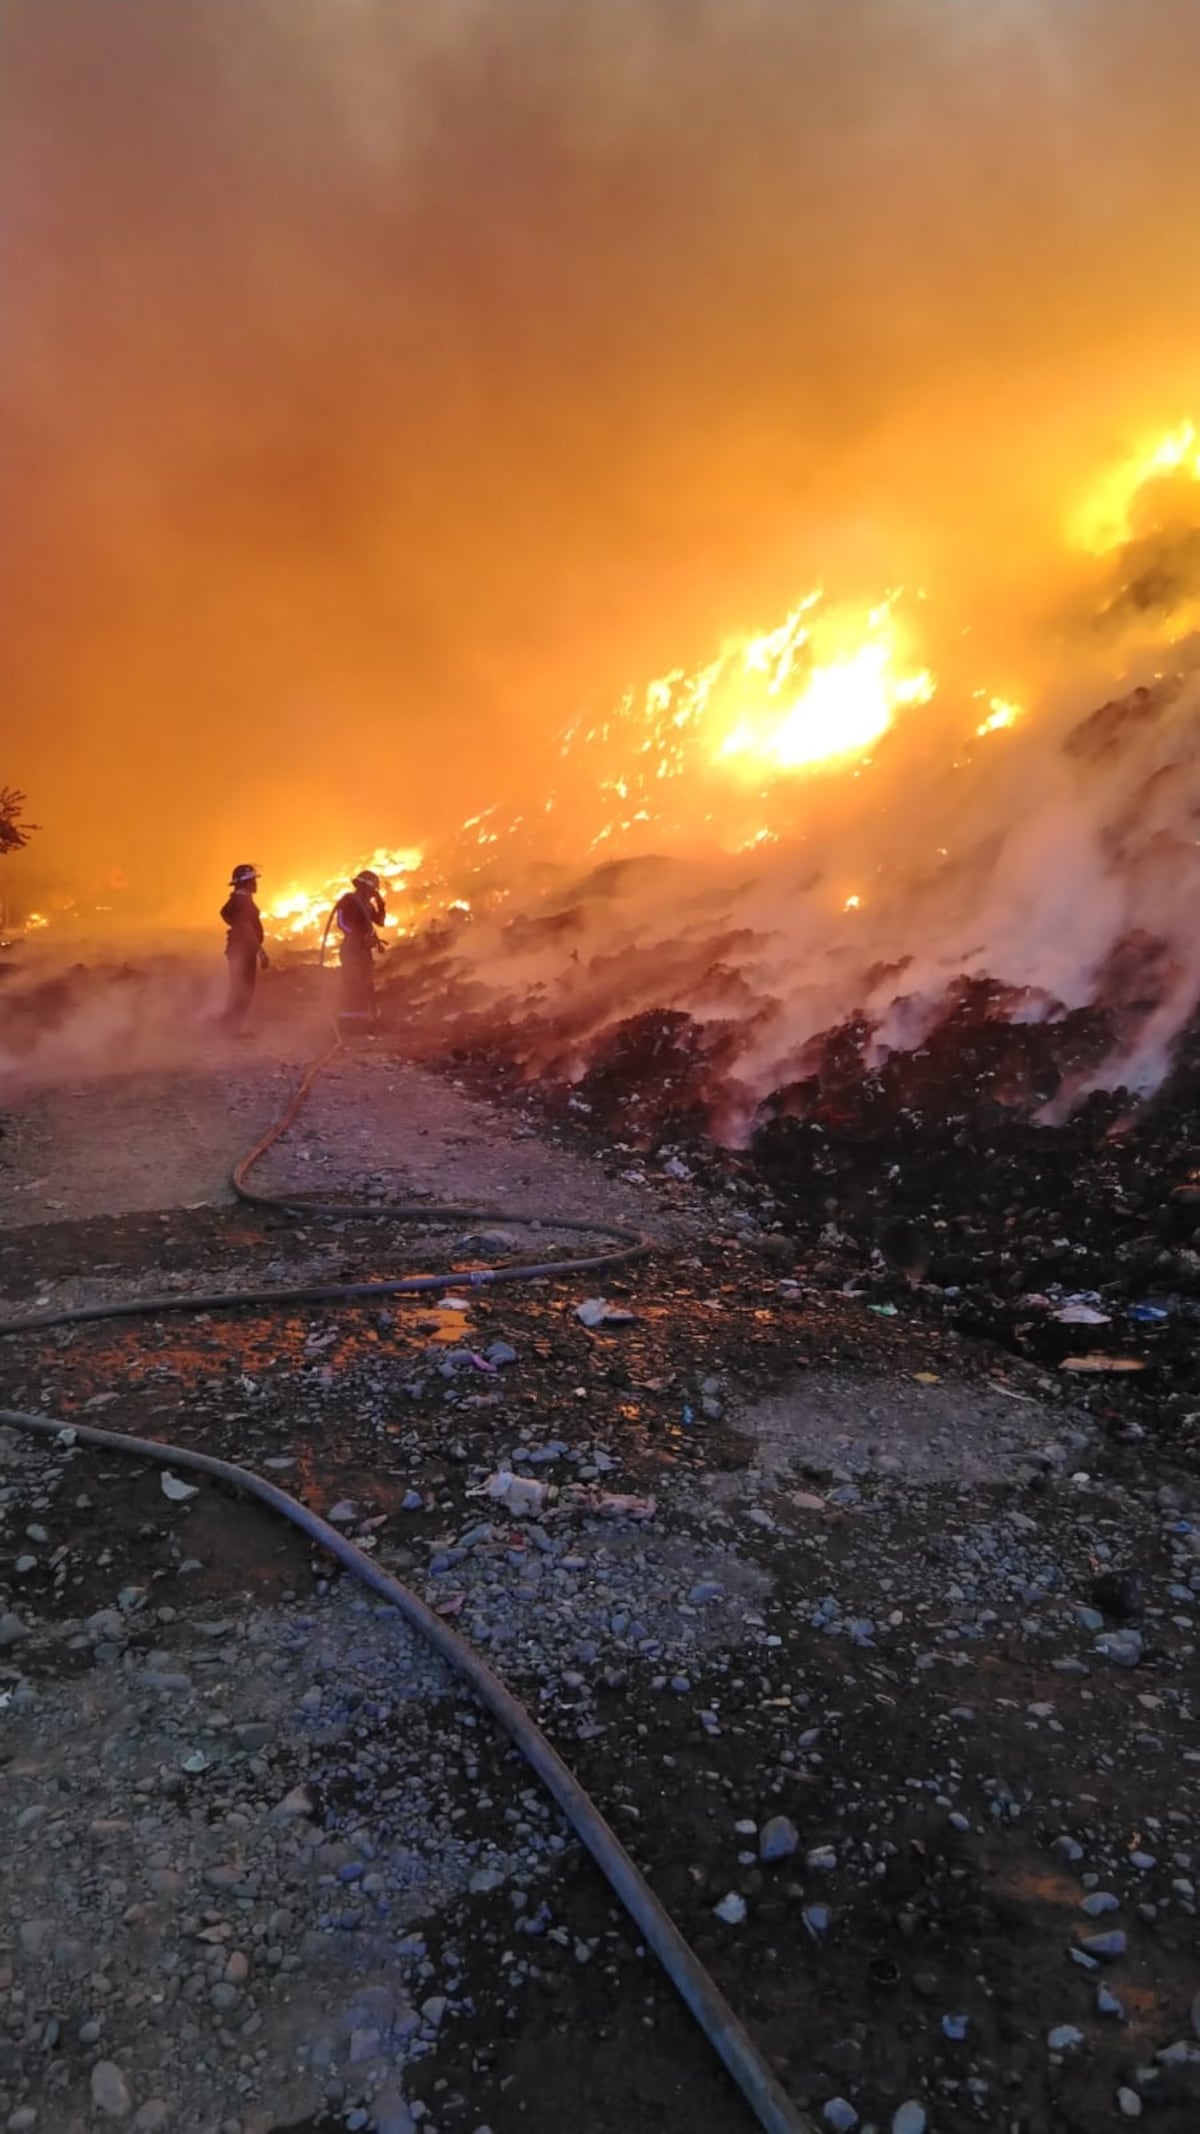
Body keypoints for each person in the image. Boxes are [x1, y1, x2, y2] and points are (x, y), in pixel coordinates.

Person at [332, 868, 386, 1026]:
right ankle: (347, 1020)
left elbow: (379, 922)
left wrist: (380, 903)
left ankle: (362, 1018)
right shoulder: (349, 900)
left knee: (366, 983)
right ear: (364, 887)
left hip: (364, 951)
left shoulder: (367, 905)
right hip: (351, 950)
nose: (373, 892)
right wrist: (357, 937)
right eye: (373, 889)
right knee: (352, 983)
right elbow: (341, 923)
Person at [219, 863, 268, 1034]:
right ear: (245, 883)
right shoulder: (243, 902)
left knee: (239, 988)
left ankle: (230, 1027)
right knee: (243, 990)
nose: (255, 883)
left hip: (238, 950)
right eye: (253, 880)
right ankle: (231, 1029)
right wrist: (260, 951)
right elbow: (247, 928)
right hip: (243, 952)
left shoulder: (236, 900)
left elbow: (225, 913)